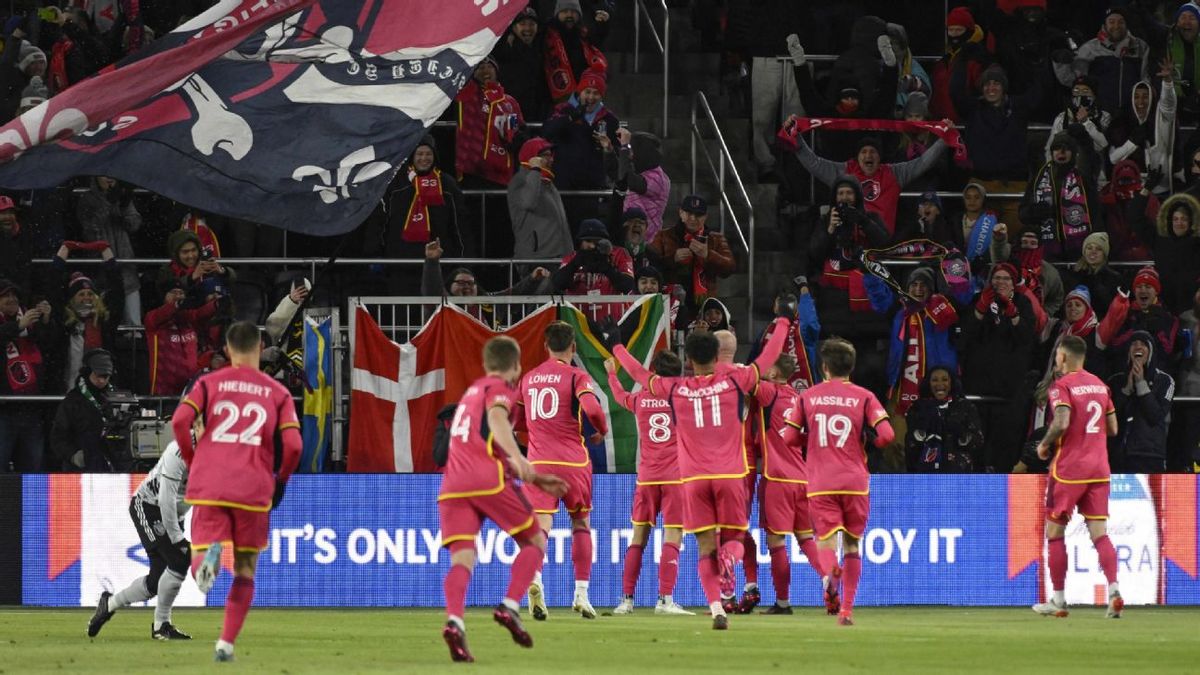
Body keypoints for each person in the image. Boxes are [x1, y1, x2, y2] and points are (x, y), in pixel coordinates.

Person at [614, 317, 792, 629]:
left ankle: (717, 611)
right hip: (731, 475)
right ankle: (730, 561)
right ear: (716, 356)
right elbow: (767, 358)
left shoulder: (674, 389)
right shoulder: (736, 381)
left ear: (689, 360)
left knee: (705, 547)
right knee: (734, 538)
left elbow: (639, 374)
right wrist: (784, 324)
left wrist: (616, 345)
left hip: (693, 480)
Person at [170, 321, 303, 663]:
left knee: (199, 551)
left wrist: (193, 458)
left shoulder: (208, 383)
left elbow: (179, 422)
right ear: (260, 348)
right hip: (254, 487)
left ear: (227, 351)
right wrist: (281, 480)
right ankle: (225, 644)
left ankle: (205, 565)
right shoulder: (278, 392)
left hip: (212, 483)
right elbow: (293, 446)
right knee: (245, 569)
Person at [435, 336, 568, 663]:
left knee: (462, 560)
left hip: (452, 485)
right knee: (535, 541)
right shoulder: (500, 390)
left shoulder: (470, 393)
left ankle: (455, 622)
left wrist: (532, 475)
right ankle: (510, 606)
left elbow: (481, 440)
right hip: (487, 480)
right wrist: (523, 463)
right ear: (516, 366)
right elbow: (497, 421)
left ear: (485, 364)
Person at [793, 338, 895, 626]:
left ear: (824, 367)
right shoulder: (864, 396)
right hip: (855, 480)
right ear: (851, 366)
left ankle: (830, 573)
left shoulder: (808, 396)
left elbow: (788, 437)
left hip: (822, 480)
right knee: (852, 545)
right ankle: (846, 611)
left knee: (825, 540)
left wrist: (810, 439)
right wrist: (864, 440)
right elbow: (887, 436)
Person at [518, 321, 609, 621]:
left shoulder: (528, 378)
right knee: (580, 524)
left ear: (545, 345)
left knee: (540, 528)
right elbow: (594, 410)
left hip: (539, 462)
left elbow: (517, 419)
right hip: (573, 462)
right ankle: (581, 594)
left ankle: (535, 578)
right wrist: (602, 430)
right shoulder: (576, 376)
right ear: (573, 346)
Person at [1032, 335, 1123, 619]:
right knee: (1100, 534)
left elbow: (1061, 422)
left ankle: (1058, 600)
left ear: (1065, 357)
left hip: (1069, 470)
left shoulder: (1062, 386)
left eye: (1058, 355)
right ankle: (1114, 591)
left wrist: (1045, 444)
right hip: (1099, 469)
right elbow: (1113, 428)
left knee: (1055, 532)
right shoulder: (1100, 385)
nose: (1056, 360)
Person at [606, 351, 692, 616]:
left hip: (647, 477)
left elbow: (620, 398)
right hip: (676, 477)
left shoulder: (641, 399)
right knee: (673, 535)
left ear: (654, 372)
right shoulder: (682, 399)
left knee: (638, 538)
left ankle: (626, 600)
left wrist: (611, 374)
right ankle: (665, 600)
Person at [87, 440, 193, 640]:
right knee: (179, 560)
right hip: (149, 506)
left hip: (175, 514)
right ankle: (162, 626)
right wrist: (177, 538)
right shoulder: (178, 451)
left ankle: (108, 605)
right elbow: (165, 500)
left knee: (157, 581)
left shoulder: (219, 451)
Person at [755, 354, 833, 615]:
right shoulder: (802, 400)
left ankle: (783, 602)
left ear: (775, 374)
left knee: (776, 542)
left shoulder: (768, 392)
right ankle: (826, 576)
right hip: (804, 478)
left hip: (777, 478)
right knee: (806, 538)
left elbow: (742, 381)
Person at [785, 121, 948, 238]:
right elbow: (814, 163)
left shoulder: (894, 173)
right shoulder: (846, 171)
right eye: (864, 152)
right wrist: (796, 137)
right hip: (849, 243)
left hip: (881, 245)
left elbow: (923, 162)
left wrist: (943, 139)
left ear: (880, 157)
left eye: (873, 152)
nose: (868, 155)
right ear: (857, 157)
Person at [960, 263, 1037, 472]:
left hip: (1009, 389)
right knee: (977, 441)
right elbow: (965, 337)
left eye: (1006, 279)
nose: (1000, 282)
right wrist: (980, 309)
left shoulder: (1023, 303)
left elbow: (1026, 338)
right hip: (978, 387)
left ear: (1014, 284)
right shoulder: (978, 301)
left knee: (1005, 443)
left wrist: (1013, 314)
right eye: (997, 278)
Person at [953, 65, 1044, 229]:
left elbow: (1037, 92)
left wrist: (1035, 62)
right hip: (982, 183)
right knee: (978, 240)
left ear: (1004, 87)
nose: (991, 88)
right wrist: (962, 61)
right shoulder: (973, 109)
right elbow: (955, 93)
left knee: (1013, 236)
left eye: (996, 83)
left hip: (1015, 185)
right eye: (987, 84)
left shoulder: (1018, 107)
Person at [368, 135, 465, 284]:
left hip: (439, 265)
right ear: (412, 156)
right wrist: (375, 254)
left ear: (435, 156)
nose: (424, 158)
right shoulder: (395, 185)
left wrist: (462, 259)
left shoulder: (447, 185)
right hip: (400, 265)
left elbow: (460, 224)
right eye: (419, 154)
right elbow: (379, 222)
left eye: (428, 154)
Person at [648, 195, 736, 326]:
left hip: (704, 305)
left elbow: (730, 268)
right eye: (689, 213)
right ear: (681, 213)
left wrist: (708, 254)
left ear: (705, 217)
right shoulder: (663, 236)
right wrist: (673, 259)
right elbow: (650, 268)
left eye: (698, 215)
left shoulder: (715, 239)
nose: (693, 219)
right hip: (670, 301)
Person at [1020, 133, 1101, 263]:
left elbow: (1096, 212)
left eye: (1066, 148)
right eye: (1057, 148)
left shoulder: (1083, 177)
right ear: (1052, 152)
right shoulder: (1038, 178)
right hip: (1047, 251)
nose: (1061, 152)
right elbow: (1022, 214)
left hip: (1080, 250)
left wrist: (1085, 140)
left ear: (1073, 153)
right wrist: (1033, 212)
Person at [48, 348, 132, 471]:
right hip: (82, 467)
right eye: (98, 375)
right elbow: (58, 437)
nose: (101, 380)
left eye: (106, 376)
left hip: (113, 465)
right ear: (87, 372)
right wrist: (73, 455)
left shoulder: (120, 398)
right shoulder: (73, 400)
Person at [542, 64, 620, 192]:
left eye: (596, 93)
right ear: (580, 92)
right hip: (563, 184)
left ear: (602, 95)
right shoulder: (563, 110)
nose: (591, 97)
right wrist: (571, 118)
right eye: (587, 92)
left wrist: (608, 148)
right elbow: (547, 132)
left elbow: (615, 160)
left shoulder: (609, 119)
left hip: (593, 186)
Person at [0, 278, 52, 472]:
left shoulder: (30, 322)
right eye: (5, 296)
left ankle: (32, 503)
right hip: (3, 407)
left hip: (31, 406)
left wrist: (45, 321)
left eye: (14, 295)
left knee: (33, 467)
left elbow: (50, 349)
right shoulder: (20, 324)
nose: (11, 299)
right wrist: (18, 326)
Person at [76, 176, 142, 326]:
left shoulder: (121, 196)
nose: (110, 179)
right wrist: (108, 203)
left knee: (134, 324)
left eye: (113, 176)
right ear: (96, 177)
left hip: (126, 265)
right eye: (105, 175)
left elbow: (134, 225)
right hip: (101, 267)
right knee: (105, 322)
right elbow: (91, 231)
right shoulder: (87, 199)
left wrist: (124, 205)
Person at [1107, 331, 1174, 473]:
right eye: (1134, 344)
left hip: (1150, 454)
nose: (1138, 347)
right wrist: (1126, 391)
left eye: (1143, 344)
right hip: (1119, 454)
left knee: (1150, 496)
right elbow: (1109, 417)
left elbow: (1155, 416)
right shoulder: (1116, 380)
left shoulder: (1164, 380)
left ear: (1151, 351)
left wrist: (1141, 383)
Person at [454, 57, 525, 188]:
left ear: (497, 71)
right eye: (480, 67)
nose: (485, 70)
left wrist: (515, 136)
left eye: (489, 67)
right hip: (473, 170)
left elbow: (515, 129)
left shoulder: (509, 102)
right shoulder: (470, 93)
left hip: (502, 173)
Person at [1108, 61, 1176, 193]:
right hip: (1128, 188)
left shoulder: (1161, 119)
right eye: (1136, 97)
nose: (1141, 102)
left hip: (1159, 189)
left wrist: (1167, 82)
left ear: (1152, 99)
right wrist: (1133, 141)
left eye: (1145, 97)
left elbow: (1168, 104)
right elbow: (1113, 158)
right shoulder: (1122, 124)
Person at [1069, 8, 1151, 118]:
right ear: (1104, 25)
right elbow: (1077, 81)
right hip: (1099, 112)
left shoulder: (1140, 46)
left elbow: (1145, 79)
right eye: (1111, 22)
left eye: (1121, 22)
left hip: (1131, 113)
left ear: (1126, 25)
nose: (1116, 26)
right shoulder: (1090, 48)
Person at [145, 278, 218, 397]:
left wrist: (216, 304)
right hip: (163, 390)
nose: (178, 296)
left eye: (181, 293)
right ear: (164, 296)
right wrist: (176, 305)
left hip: (190, 388)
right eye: (174, 292)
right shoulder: (153, 318)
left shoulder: (188, 318)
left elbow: (200, 313)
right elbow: (163, 313)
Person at [904, 365, 984, 472]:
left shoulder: (966, 407)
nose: (940, 384)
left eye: (945, 380)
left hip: (959, 472)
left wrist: (961, 434)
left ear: (951, 383)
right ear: (928, 383)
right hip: (925, 473)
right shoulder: (917, 408)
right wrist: (922, 431)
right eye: (934, 380)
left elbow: (978, 442)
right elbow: (910, 445)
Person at [509, 137, 573, 264]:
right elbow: (528, 202)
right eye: (546, 156)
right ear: (533, 157)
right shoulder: (519, 180)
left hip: (556, 256)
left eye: (551, 155)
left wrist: (569, 254)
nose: (552, 160)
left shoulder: (547, 183)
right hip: (535, 258)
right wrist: (535, 170)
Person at [1042, 76, 1111, 182]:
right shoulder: (1062, 118)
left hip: (1095, 176)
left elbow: (1103, 144)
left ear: (1094, 94)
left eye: (1085, 91)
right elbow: (1050, 148)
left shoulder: (1104, 116)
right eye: (1076, 91)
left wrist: (1086, 122)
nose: (1080, 95)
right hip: (1065, 177)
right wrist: (1051, 173)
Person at [549, 218, 635, 301]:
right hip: (579, 315)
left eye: (597, 241)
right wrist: (574, 264)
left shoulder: (619, 254)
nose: (593, 246)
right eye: (588, 241)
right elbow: (558, 284)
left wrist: (608, 269)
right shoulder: (572, 257)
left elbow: (627, 286)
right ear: (581, 242)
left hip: (612, 315)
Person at [929, 7, 992, 122]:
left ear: (968, 30)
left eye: (959, 30)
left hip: (967, 124)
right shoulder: (945, 61)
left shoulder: (978, 58)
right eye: (951, 30)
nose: (954, 35)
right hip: (943, 125)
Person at [543, 0, 609, 106]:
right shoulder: (545, 34)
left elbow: (597, 42)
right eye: (565, 11)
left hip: (584, 97)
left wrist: (602, 26)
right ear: (557, 14)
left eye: (573, 12)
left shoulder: (584, 35)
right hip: (553, 97)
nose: (569, 15)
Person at [495, 6, 550, 121]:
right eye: (522, 24)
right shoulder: (504, 51)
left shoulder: (541, 49)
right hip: (511, 113)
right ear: (514, 27)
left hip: (536, 115)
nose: (527, 28)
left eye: (531, 24)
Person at [615, 129, 669, 240]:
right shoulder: (642, 172)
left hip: (648, 241)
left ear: (642, 153)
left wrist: (624, 148)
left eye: (632, 150)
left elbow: (629, 180)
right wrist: (608, 150)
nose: (630, 155)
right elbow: (618, 174)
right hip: (631, 236)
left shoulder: (658, 178)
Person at [1060, 233, 1124, 320]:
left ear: (1104, 253)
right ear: (1084, 251)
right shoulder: (1073, 275)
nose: (1093, 252)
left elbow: (1113, 308)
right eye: (1089, 248)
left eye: (1098, 249)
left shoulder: (1114, 278)